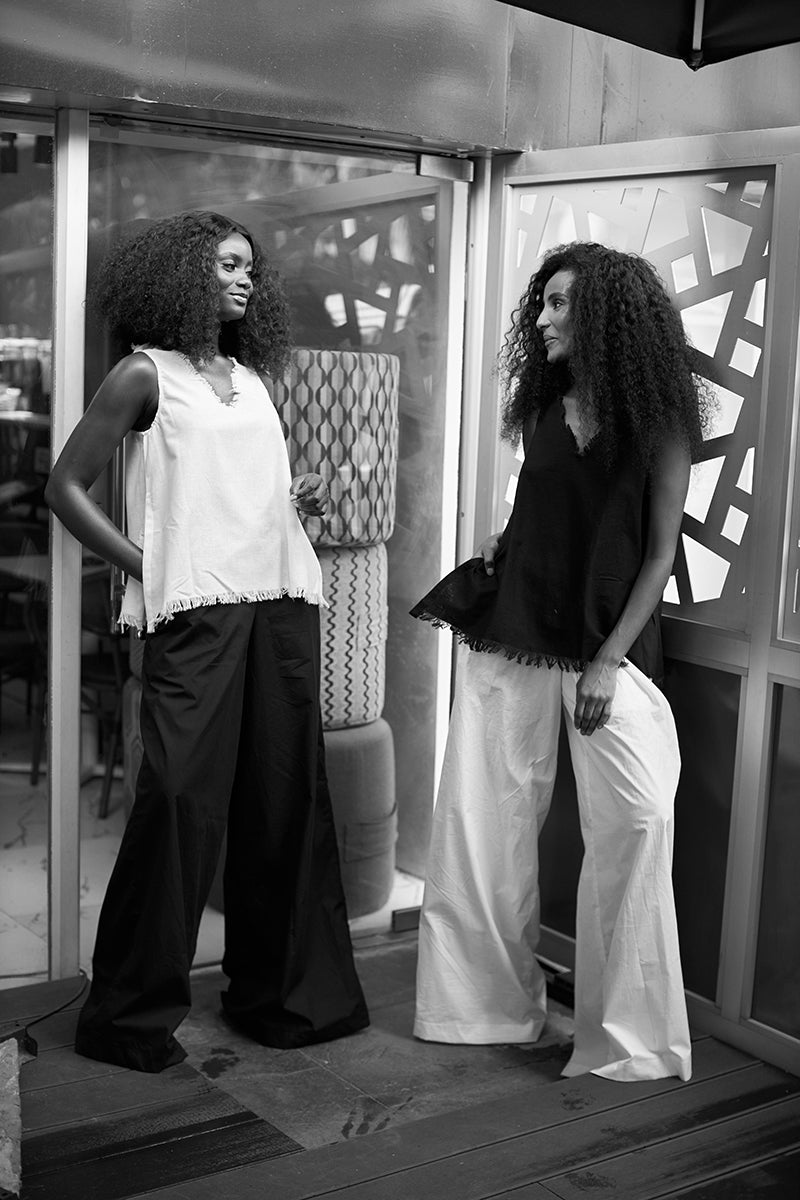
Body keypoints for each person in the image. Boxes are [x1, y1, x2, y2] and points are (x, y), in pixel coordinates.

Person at [46, 210, 369, 1073]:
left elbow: (234, 491)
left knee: (284, 799)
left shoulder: (252, 379)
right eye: (228, 264)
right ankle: (129, 1019)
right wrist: (150, 568)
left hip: (281, 605)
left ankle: (285, 1001)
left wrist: (294, 497)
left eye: (250, 267)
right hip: (197, 616)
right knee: (181, 803)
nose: (245, 278)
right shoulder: (143, 374)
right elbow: (65, 486)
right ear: (185, 272)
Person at [411, 241, 709, 1082]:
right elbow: (543, 507)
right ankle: (480, 1011)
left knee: (639, 820)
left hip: (606, 647)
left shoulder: (658, 417)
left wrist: (608, 662)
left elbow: (658, 555)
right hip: (514, 626)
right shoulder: (545, 404)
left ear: (606, 315)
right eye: (540, 303)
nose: (540, 318)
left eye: (558, 303)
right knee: (482, 820)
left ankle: (627, 1040)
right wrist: (506, 537)